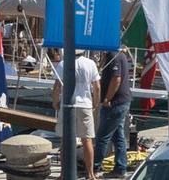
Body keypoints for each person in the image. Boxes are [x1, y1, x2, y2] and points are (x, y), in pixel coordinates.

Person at [51, 49, 101, 180]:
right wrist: (95, 103)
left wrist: (55, 102)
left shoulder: (63, 64)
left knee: (65, 140)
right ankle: (90, 174)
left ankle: (63, 173)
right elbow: (97, 87)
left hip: (68, 105)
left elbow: (57, 87)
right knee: (87, 140)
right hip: (85, 104)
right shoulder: (90, 63)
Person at [93, 49, 132, 178]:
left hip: (114, 103)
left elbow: (116, 79)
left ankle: (95, 167)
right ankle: (121, 167)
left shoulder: (112, 55)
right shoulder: (119, 54)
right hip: (122, 101)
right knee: (117, 136)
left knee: (102, 136)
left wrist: (107, 99)